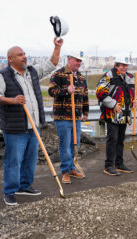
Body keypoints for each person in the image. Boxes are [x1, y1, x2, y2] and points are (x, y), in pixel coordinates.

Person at [0, 38, 63, 206]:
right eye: (20, 55)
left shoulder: (32, 72)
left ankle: (24, 186)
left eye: (24, 54)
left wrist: (57, 47)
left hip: (33, 127)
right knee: (13, 161)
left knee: (30, 160)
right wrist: (12, 100)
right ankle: (9, 191)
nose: (24, 57)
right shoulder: (2, 76)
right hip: (15, 129)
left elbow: (52, 64)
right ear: (10, 59)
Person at [96, 57, 137, 176]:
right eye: (122, 65)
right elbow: (100, 92)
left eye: (126, 65)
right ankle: (109, 165)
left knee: (121, 140)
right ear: (117, 65)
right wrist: (113, 104)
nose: (125, 67)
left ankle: (119, 163)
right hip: (112, 114)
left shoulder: (131, 78)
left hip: (125, 115)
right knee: (112, 140)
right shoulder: (109, 76)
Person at [48, 52, 89, 183]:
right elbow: (51, 91)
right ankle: (65, 171)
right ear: (69, 59)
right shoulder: (58, 74)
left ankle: (71, 168)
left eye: (80, 61)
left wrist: (86, 112)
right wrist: (66, 90)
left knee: (74, 144)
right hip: (63, 117)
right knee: (65, 145)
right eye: (76, 60)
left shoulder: (81, 78)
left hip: (76, 117)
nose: (78, 63)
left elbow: (85, 96)